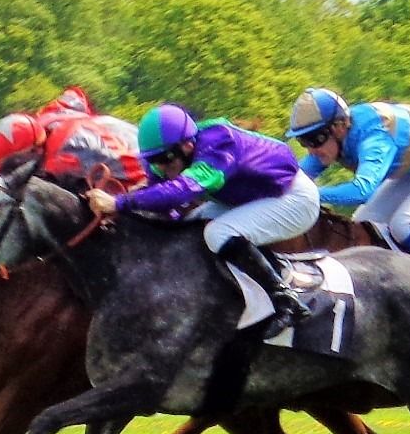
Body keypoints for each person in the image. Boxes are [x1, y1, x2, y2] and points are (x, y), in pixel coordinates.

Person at [86, 103, 318, 324]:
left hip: (293, 198)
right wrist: (124, 209)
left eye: (166, 159)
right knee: (191, 224)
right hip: (251, 198)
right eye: (154, 161)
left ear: (187, 145)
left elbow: (181, 192)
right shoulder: (167, 158)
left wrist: (119, 203)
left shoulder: (219, 146)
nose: (162, 167)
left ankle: (284, 299)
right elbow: (165, 208)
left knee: (217, 233)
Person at [282, 87, 410, 266]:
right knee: (364, 223)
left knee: (403, 225)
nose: (311, 150)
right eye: (303, 141)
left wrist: (312, 193)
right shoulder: (332, 140)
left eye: (314, 139)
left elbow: (362, 191)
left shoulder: (374, 139)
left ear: (340, 126)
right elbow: (293, 177)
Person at [0, 87, 145, 190]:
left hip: (143, 160)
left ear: (33, 151)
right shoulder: (41, 127)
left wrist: (126, 201)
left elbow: (140, 170)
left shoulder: (71, 149)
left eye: (9, 167)